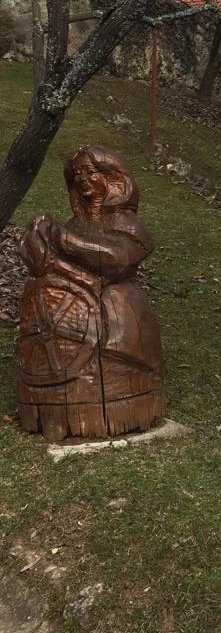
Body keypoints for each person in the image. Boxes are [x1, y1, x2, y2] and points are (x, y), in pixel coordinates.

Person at [18, 145, 165, 440]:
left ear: (113, 178)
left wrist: (62, 238)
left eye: (90, 171)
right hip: (69, 324)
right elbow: (52, 267)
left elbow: (117, 260)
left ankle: (123, 400)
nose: (82, 178)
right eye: (77, 174)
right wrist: (35, 247)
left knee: (118, 355)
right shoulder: (74, 225)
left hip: (117, 310)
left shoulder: (127, 224)